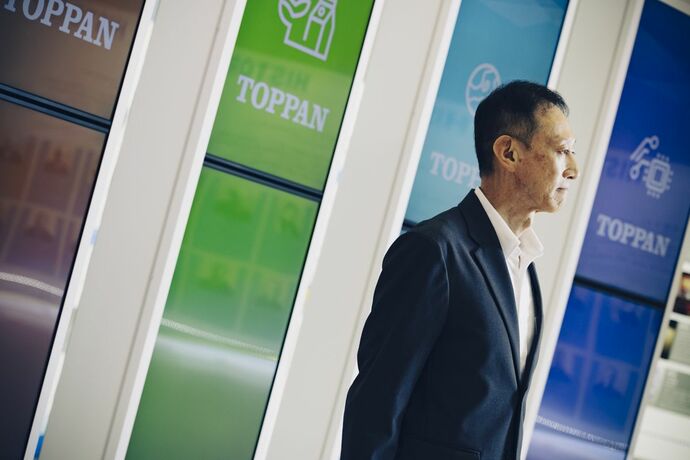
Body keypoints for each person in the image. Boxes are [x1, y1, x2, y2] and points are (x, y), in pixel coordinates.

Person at [340, 81, 579, 460]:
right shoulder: (434, 251)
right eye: (563, 151)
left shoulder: (525, 263)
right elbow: (376, 403)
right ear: (509, 152)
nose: (573, 170)